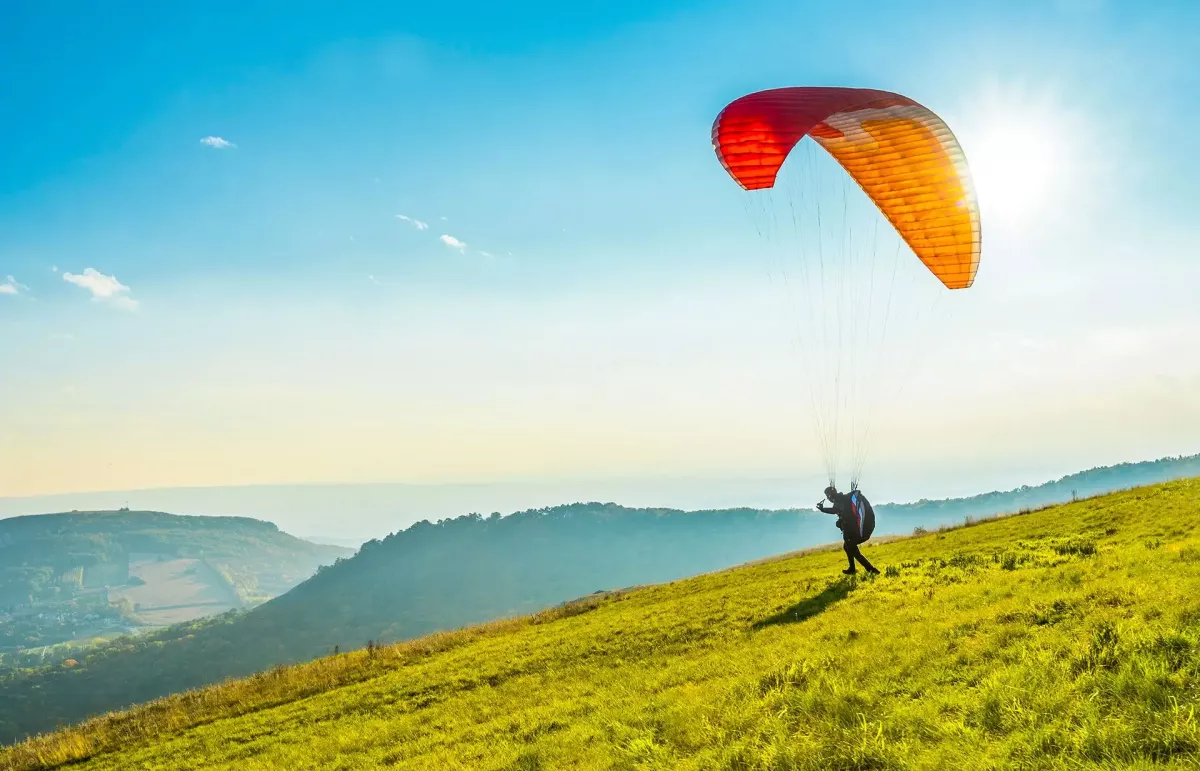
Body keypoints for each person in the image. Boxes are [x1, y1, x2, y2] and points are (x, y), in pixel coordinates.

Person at [817, 485, 880, 575]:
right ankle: (852, 569)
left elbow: (835, 510)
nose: (828, 499)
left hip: (852, 532)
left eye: (827, 497)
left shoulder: (839, 500)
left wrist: (823, 509)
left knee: (853, 550)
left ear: (830, 496)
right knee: (847, 547)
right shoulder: (844, 499)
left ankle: (871, 570)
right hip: (854, 530)